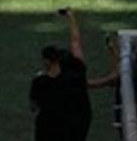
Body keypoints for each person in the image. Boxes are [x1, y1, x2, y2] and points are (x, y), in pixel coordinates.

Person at [30, 9, 103, 141]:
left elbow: (34, 106)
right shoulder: (76, 75)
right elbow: (75, 42)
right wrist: (70, 18)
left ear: (46, 61)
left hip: (48, 130)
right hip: (74, 128)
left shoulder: (40, 82)